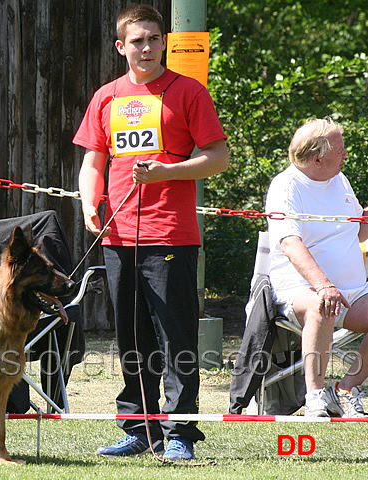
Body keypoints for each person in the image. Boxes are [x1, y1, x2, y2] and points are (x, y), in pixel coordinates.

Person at [72, 5, 228, 460]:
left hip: (172, 235)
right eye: (137, 40)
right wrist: (89, 201)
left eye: (153, 39)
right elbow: (92, 162)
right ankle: (139, 427)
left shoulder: (188, 92)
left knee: (175, 335)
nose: (146, 47)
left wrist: (167, 171)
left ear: (164, 43)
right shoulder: (106, 96)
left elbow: (218, 157)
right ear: (121, 47)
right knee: (132, 337)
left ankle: (179, 431)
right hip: (119, 236)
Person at [266, 117, 368, 418]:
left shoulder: (340, 180)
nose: (346, 154)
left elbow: (352, 232)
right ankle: (315, 397)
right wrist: (324, 285)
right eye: (341, 149)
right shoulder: (286, 187)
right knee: (322, 305)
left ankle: (347, 389)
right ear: (318, 158)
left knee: (330, 301)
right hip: (300, 289)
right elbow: (289, 243)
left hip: (353, 290)